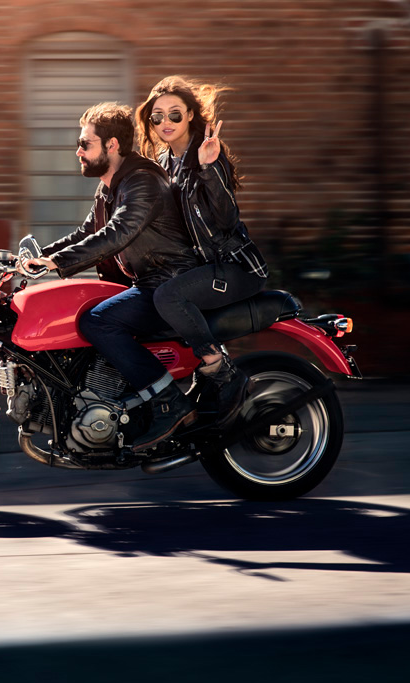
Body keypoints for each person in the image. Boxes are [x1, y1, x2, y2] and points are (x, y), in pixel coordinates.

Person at [20, 102, 200, 452]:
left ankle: (169, 402)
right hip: (148, 283)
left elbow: (116, 234)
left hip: (169, 284)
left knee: (97, 321)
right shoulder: (110, 187)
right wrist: (36, 258)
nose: (78, 151)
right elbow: (86, 232)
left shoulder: (142, 181)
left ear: (112, 145)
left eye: (85, 144)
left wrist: (55, 263)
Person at [135, 76, 269, 424]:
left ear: (191, 116)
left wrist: (209, 167)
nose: (165, 123)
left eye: (175, 115)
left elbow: (227, 219)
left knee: (169, 298)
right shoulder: (164, 163)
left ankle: (221, 370)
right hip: (202, 268)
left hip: (235, 267)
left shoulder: (208, 154)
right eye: (157, 117)